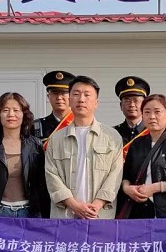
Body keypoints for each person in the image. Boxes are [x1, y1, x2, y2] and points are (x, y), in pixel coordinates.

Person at [45, 75, 123, 219]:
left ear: (96, 102)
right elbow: (51, 175)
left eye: (87, 95)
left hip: (99, 215)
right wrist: (74, 205)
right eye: (76, 94)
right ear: (70, 100)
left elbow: (115, 175)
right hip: (65, 215)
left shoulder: (112, 137)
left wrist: (97, 205)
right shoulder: (56, 138)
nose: (81, 99)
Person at [0, 92, 50, 218]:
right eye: (5, 110)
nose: (11, 114)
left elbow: (41, 181)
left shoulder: (35, 145)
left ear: (24, 114)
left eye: (16, 110)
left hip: (29, 212)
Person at [34, 70, 75, 147]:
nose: (59, 97)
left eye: (63, 93)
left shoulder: (80, 124)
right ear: (48, 97)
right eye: (55, 93)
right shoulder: (38, 126)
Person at [113, 76, 150, 146]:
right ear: (121, 106)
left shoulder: (153, 132)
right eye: (127, 101)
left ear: (144, 105)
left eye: (136, 100)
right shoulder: (113, 133)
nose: (132, 105)